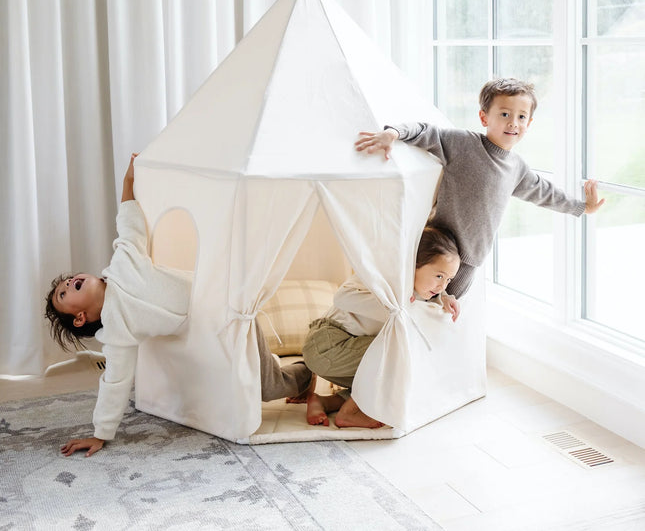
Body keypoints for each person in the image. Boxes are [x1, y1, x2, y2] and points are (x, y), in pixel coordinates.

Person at [45, 154, 313, 457]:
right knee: (255, 385)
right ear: (80, 318)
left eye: (67, 280)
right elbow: (115, 381)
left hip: (227, 302)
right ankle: (302, 373)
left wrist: (128, 181)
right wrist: (100, 433)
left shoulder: (123, 264)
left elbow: (129, 225)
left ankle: (309, 372)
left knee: (268, 386)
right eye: (62, 294)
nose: (68, 282)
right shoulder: (116, 332)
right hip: (209, 330)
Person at [354, 77, 605, 298]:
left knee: (447, 310)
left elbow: (545, 193)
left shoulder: (517, 168)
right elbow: (426, 131)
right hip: (439, 249)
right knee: (417, 303)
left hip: (471, 260)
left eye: (521, 117)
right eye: (504, 114)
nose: (513, 123)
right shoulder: (464, 144)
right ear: (484, 117)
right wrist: (393, 133)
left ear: (529, 123)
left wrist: (582, 207)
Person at [302, 225, 460, 428]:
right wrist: (393, 306)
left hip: (349, 353)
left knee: (408, 374)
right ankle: (349, 413)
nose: (442, 285)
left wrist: (444, 297)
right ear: (414, 264)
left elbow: (431, 301)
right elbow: (341, 297)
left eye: (449, 279)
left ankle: (326, 401)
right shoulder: (383, 276)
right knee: (400, 354)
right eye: (439, 276)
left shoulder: (424, 294)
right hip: (327, 344)